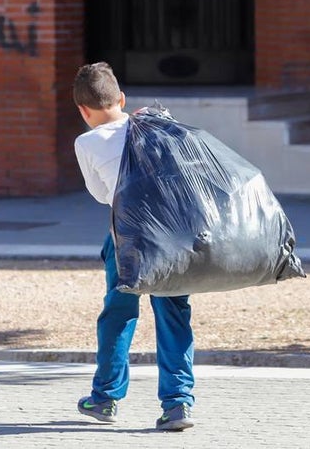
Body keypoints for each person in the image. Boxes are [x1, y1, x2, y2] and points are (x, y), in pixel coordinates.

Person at [72, 62, 195, 432]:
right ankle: (178, 404)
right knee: (173, 314)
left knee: (119, 313)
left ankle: (105, 398)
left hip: (127, 238)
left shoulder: (86, 142)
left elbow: (101, 195)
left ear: (83, 111)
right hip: (173, 235)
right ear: (122, 99)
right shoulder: (154, 126)